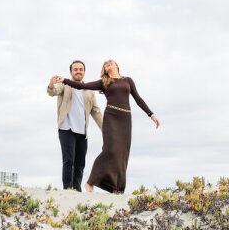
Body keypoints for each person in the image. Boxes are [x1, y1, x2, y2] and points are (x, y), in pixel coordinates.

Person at [55, 59, 159, 193]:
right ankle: (90, 182)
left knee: (122, 153)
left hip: (126, 119)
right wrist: (64, 80)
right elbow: (81, 86)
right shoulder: (104, 82)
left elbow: (138, 99)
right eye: (105, 63)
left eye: (111, 62)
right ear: (105, 69)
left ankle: (117, 188)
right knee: (110, 150)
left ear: (117, 65)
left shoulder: (128, 80)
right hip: (111, 117)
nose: (108, 63)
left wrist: (151, 114)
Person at [47, 60, 104, 191]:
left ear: (84, 72)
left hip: (82, 131)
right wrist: (51, 84)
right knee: (68, 160)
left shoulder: (89, 90)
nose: (78, 71)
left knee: (80, 163)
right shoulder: (64, 85)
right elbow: (52, 92)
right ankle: (67, 189)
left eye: (81, 69)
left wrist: (105, 129)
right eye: (75, 69)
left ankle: (77, 189)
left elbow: (96, 111)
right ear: (71, 72)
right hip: (66, 128)